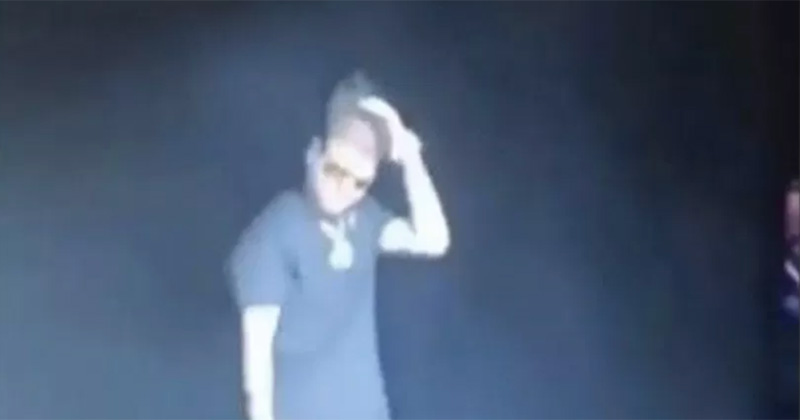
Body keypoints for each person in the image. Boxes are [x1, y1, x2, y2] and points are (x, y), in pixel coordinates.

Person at [227, 72, 450, 420]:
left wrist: (410, 157)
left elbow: (433, 240)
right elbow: (257, 368)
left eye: (360, 183)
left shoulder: (366, 219)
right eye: (335, 170)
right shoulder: (274, 235)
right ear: (313, 152)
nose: (343, 190)